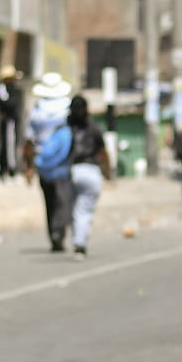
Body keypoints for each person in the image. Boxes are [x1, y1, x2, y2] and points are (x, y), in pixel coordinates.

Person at [24, 72, 75, 252]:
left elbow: (29, 141)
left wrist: (28, 167)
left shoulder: (37, 112)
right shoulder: (67, 109)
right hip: (63, 161)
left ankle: (53, 233)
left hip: (43, 162)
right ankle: (59, 231)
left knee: (49, 201)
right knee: (64, 199)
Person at [62, 96, 111, 258]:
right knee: (84, 210)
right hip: (90, 172)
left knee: (74, 209)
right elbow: (103, 153)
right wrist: (108, 173)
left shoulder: (65, 128)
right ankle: (80, 244)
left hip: (70, 172)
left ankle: (77, 239)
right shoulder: (94, 128)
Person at [0, 65, 23, 176]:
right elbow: (6, 102)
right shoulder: (1, 88)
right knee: (8, 143)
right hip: (8, 120)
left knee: (12, 142)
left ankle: (9, 167)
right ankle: (10, 168)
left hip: (12, 119)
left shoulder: (12, 87)